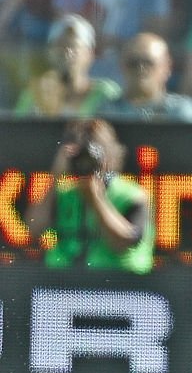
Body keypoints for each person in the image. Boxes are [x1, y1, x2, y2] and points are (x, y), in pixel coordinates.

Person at [25, 117, 155, 274]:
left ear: (111, 154)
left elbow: (124, 242)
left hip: (121, 287)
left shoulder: (131, 194)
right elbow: (34, 228)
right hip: (64, 285)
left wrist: (95, 197)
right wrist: (55, 177)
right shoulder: (65, 193)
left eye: (94, 153)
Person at [14, 14, 121, 117]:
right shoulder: (34, 94)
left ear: (90, 54)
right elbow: (17, 132)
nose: (67, 52)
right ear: (49, 52)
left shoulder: (106, 94)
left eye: (74, 46)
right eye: (61, 46)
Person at [102, 32, 192, 122]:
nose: (141, 68)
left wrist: (113, 143)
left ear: (167, 67)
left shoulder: (181, 111)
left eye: (148, 62)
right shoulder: (106, 112)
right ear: (121, 66)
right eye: (133, 62)